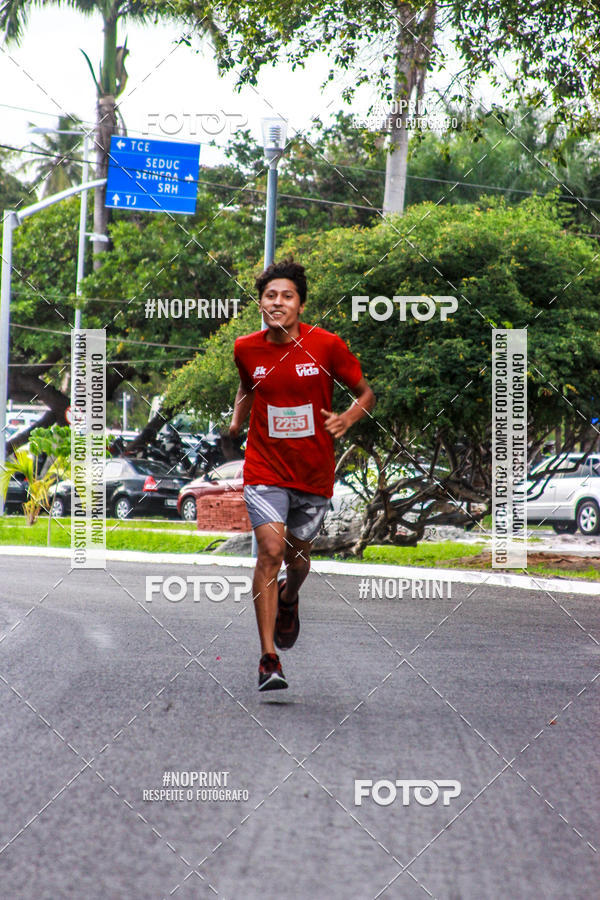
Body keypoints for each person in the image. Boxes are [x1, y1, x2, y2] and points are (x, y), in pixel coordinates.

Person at [229, 258, 376, 690]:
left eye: (286, 296)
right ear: (261, 303)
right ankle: (268, 659)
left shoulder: (327, 346)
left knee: (297, 557)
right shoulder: (245, 348)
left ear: (300, 305)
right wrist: (237, 421)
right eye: (270, 295)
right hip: (264, 467)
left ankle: (290, 597)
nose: (277, 302)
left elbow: (366, 393)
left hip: (312, 471)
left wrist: (347, 419)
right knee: (270, 552)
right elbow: (247, 387)